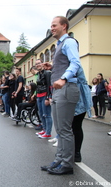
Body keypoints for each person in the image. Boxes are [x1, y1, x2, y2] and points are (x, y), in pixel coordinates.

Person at [41, 16, 80, 175]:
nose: (52, 28)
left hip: (67, 87)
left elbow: (75, 63)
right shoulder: (59, 45)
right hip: (59, 89)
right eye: (51, 25)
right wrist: (53, 66)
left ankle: (67, 164)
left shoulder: (69, 41)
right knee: (60, 129)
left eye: (54, 25)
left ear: (64, 26)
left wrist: (63, 78)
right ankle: (59, 160)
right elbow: (65, 63)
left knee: (65, 130)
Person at [34, 59, 53, 139]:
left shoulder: (47, 73)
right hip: (39, 95)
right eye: (36, 64)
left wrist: (48, 97)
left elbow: (49, 85)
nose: (38, 65)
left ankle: (48, 132)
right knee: (41, 114)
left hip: (45, 95)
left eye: (39, 63)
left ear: (42, 63)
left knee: (47, 115)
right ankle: (44, 129)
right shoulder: (39, 74)